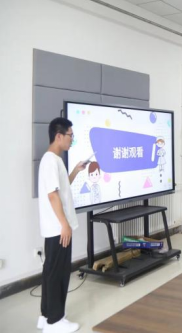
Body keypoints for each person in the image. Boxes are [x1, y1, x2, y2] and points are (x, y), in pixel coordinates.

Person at [38, 118, 86, 333]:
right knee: (58, 273)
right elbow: (53, 196)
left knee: (50, 271)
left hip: (55, 228)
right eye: (70, 136)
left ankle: (46, 316)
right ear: (59, 136)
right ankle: (55, 322)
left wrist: (76, 170)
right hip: (58, 229)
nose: (71, 140)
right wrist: (64, 225)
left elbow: (62, 187)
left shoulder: (54, 160)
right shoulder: (50, 160)